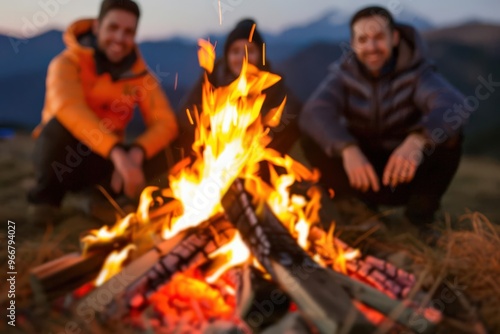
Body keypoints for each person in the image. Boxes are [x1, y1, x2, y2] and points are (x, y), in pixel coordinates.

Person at [299, 6, 464, 238]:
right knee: (314, 135)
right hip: (362, 172)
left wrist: (418, 139)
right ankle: (355, 209)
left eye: (378, 38)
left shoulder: (417, 73)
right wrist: (347, 148)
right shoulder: (343, 75)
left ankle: (419, 218)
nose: (371, 47)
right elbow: (314, 111)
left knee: (451, 137)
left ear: (394, 37)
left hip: (406, 172)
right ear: (354, 44)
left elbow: (453, 103)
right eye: (363, 39)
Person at [28, 0, 178, 225]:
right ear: (97, 27)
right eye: (113, 28)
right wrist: (118, 154)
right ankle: (45, 202)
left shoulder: (140, 76)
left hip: (104, 163)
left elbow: (166, 123)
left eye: (128, 32)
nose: (119, 38)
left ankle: (99, 196)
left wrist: (135, 154)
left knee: (179, 140)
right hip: (61, 156)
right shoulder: (66, 64)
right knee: (59, 124)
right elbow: (69, 108)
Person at [174, 18, 301, 161]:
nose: (243, 58)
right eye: (236, 51)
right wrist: (214, 129)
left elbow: (292, 109)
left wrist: (258, 128)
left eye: (250, 51)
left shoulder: (271, 81)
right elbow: (186, 111)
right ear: (227, 56)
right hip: (212, 153)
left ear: (260, 55)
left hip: (256, 156)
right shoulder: (213, 77)